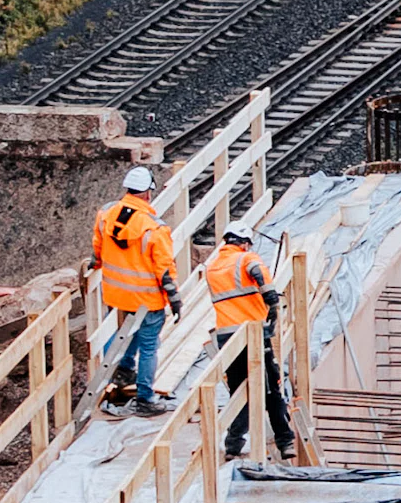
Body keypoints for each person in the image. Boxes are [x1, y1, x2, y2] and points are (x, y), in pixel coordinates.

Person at [195, 221, 297, 459]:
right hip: (252, 333)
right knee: (271, 388)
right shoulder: (245, 258)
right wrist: (271, 300)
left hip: (227, 337)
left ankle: (233, 445)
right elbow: (257, 270)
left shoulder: (213, 266)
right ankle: (285, 442)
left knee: (240, 391)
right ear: (244, 242)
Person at [85, 184, 180, 408]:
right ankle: (145, 398)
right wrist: (174, 298)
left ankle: (122, 369)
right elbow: (164, 269)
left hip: (117, 293)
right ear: (147, 193)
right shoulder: (154, 228)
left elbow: (97, 245)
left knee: (123, 331)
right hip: (147, 298)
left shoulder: (106, 214)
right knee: (149, 346)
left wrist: (96, 262)